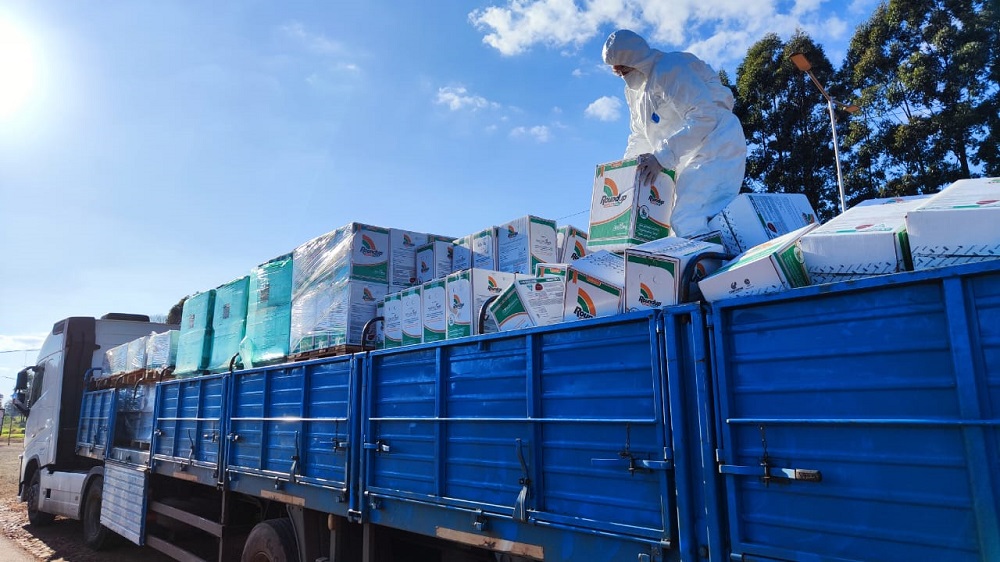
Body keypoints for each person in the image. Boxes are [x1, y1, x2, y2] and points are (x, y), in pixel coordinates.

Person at [603, 29, 746, 237]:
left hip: (716, 143)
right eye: (617, 72)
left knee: (687, 218)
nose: (620, 74)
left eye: (623, 68)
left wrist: (661, 157)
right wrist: (627, 173)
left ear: (635, 60)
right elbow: (640, 136)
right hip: (684, 158)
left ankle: (716, 258)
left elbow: (704, 115)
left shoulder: (668, 68)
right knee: (672, 229)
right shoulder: (635, 93)